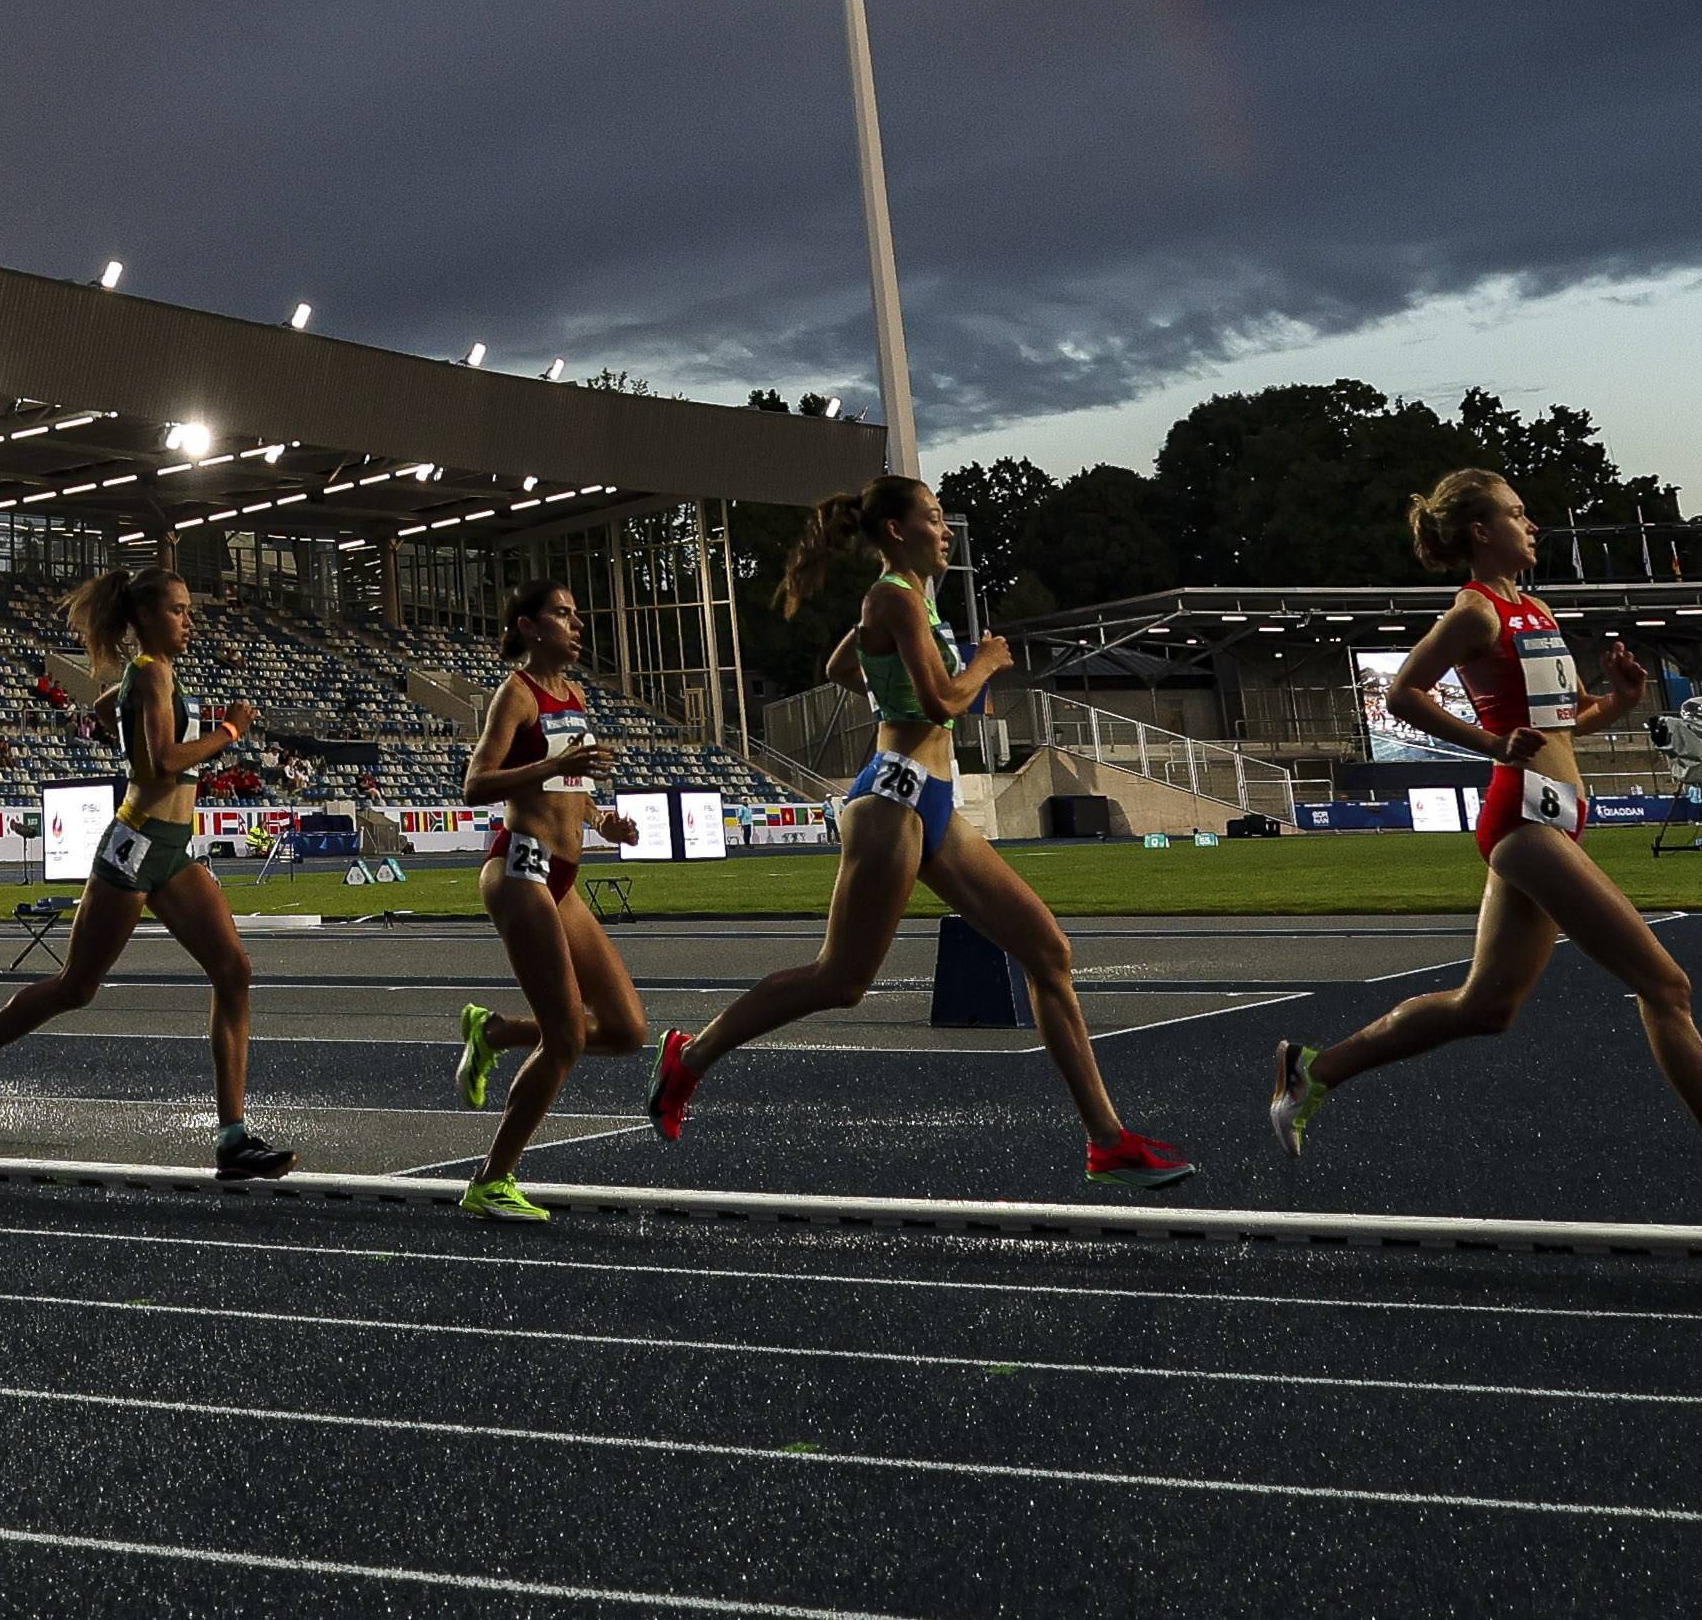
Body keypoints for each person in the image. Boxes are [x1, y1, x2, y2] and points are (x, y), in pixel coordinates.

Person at [1271, 469, 1702, 1234]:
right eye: (1518, 514)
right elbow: (1402, 696)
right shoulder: (1475, 609)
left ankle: (1314, 1070)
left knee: (1486, 1007)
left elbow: (1564, 726)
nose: (1532, 526)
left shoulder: (1534, 608)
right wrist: (1489, 742)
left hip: (1559, 812)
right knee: (1665, 986)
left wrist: (1623, 703)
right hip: (1523, 818)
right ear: (1479, 531)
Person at [657, 479, 1185, 1184]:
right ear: (898, 531)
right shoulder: (891, 597)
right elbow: (943, 700)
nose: (947, 531)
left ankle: (1106, 1140)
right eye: (934, 519)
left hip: (933, 800)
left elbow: (844, 665)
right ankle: (688, 1059)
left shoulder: (913, 599)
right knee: (840, 981)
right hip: (891, 802)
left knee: (1048, 952)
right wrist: (987, 663)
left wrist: (892, 685)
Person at [0, 566, 291, 1184]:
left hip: (171, 849)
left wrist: (118, 714)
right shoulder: (150, 671)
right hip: (136, 845)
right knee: (77, 986)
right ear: (146, 617)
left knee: (234, 969)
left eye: (188, 610)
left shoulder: (151, 675)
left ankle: (232, 1138)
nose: (189, 620)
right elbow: (159, 771)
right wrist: (231, 730)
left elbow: (110, 710)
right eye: (178, 610)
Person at [445, 579, 647, 1224]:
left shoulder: (576, 696)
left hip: (562, 874)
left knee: (624, 1029)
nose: (575, 624)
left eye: (577, 613)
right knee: (564, 1039)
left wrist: (599, 819)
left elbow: (568, 787)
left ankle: (497, 1032)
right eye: (562, 614)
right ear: (529, 627)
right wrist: (548, 772)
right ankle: (490, 1180)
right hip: (520, 869)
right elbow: (476, 783)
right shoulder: (517, 694)